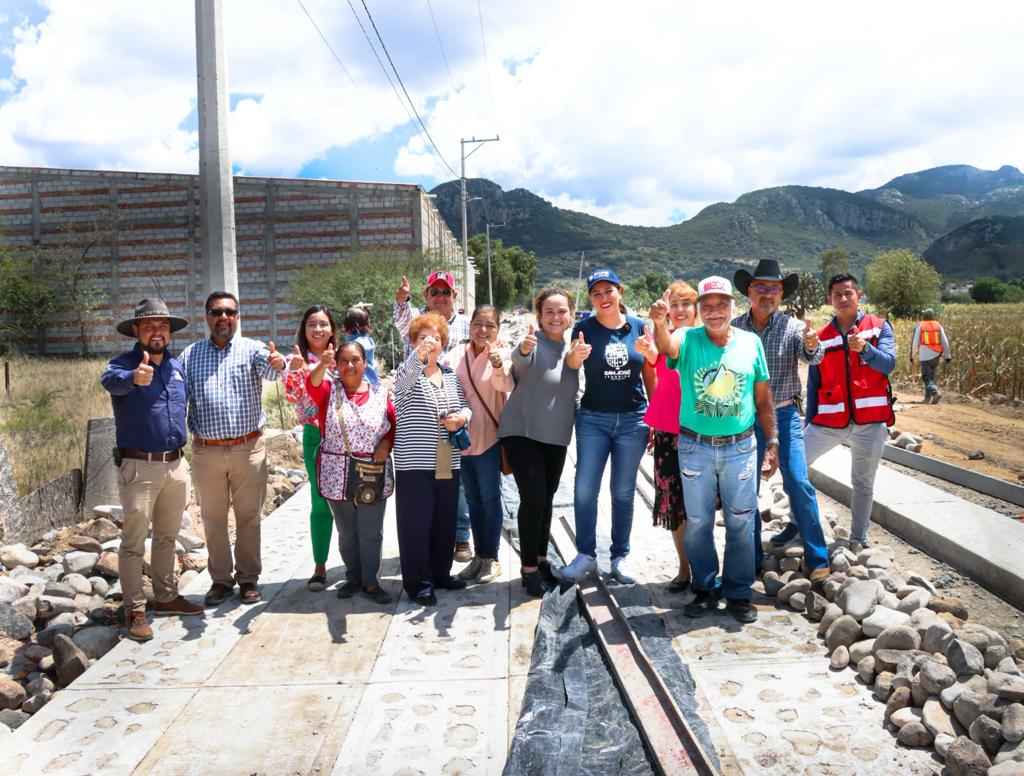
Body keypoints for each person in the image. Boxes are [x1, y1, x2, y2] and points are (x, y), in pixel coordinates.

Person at [652, 276, 779, 623]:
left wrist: (772, 441)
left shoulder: (751, 343)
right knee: (698, 522)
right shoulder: (688, 338)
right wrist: (659, 322)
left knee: (741, 520)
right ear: (699, 312)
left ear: (732, 307)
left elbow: (762, 397)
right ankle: (705, 589)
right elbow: (665, 347)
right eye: (706, 307)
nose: (714, 312)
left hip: (740, 447)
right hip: (695, 447)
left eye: (721, 305)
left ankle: (738, 592)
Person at [100, 299, 204, 641]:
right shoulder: (123, 364)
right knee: (132, 542)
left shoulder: (177, 367)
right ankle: (135, 609)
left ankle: (165, 596)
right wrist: (134, 377)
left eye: (162, 326)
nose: (156, 332)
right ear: (136, 331)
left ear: (168, 332)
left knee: (167, 536)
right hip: (139, 467)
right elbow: (110, 382)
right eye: (149, 326)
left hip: (175, 463)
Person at [181, 291, 286, 606]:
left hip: (247, 449)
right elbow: (176, 400)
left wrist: (278, 363)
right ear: (207, 317)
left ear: (238, 316)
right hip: (206, 453)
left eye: (230, 312)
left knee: (248, 517)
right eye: (216, 312)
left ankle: (248, 579)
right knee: (213, 520)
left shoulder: (253, 350)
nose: (223, 317)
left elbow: (272, 369)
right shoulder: (189, 355)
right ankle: (221, 581)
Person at [732, 259, 830, 585]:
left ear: (781, 295)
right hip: (744, 418)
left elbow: (811, 354)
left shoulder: (791, 327)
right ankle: (751, 559)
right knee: (745, 490)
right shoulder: (734, 328)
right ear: (749, 291)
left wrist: (813, 344)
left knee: (799, 482)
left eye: (773, 289)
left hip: (785, 415)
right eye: (760, 287)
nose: (767, 294)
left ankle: (817, 558)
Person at [561, 269, 654, 584]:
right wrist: (574, 356)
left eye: (608, 291)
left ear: (620, 292)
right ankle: (585, 554)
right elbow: (573, 365)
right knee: (585, 489)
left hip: (634, 420)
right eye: (596, 293)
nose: (603, 298)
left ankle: (620, 556)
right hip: (593, 419)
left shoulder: (639, 327)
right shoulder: (583, 328)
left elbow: (651, 373)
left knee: (623, 492)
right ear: (591, 298)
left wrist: (655, 417)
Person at [803, 273, 896, 554]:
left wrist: (866, 349)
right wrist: (808, 422)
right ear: (829, 300)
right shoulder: (820, 337)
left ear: (859, 295)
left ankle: (858, 539)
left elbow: (888, 365)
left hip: (870, 422)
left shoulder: (879, 327)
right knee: (795, 464)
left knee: (863, 483)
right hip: (830, 421)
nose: (843, 299)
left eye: (848, 293)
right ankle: (799, 524)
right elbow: (813, 382)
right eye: (837, 295)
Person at [500, 288, 584, 595]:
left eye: (562, 311)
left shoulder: (574, 351)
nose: (555, 317)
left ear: (571, 315)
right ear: (539, 316)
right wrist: (523, 348)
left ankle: (540, 558)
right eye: (549, 311)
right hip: (522, 431)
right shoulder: (533, 344)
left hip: (556, 434)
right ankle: (528, 569)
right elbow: (519, 363)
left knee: (547, 497)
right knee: (533, 497)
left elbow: (574, 393)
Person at [392, 313, 473, 606]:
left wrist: (462, 418)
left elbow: (465, 406)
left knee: (444, 520)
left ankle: (441, 573)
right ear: (412, 343)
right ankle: (419, 584)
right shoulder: (406, 372)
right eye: (423, 338)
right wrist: (420, 355)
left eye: (436, 338)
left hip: (446, 458)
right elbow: (406, 379)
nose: (430, 343)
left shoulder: (449, 375)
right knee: (415, 523)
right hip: (414, 462)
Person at [306, 341, 396, 604]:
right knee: (347, 531)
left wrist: (385, 445)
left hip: (371, 471)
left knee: (370, 530)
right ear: (336, 363)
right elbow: (311, 385)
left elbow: (391, 425)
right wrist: (322, 364)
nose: (349, 365)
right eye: (342, 360)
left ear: (364, 363)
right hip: (337, 472)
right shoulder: (328, 391)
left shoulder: (381, 394)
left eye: (355, 359)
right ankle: (353, 577)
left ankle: (370, 581)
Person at [635, 281, 698, 593]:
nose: (680, 310)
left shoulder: (704, 340)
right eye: (675, 305)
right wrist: (649, 357)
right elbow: (654, 381)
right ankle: (684, 568)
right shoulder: (663, 340)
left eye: (686, 305)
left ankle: (702, 567)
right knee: (674, 504)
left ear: (696, 309)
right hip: (667, 431)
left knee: (698, 505)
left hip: (698, 431)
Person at [447, 305, 514, 584]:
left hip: (488, 438)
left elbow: (505, 386)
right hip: (460, 441)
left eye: (490, 325)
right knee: (472, 499)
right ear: (470, 325)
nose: (483, 330)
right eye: (478, 324)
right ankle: (479, 556)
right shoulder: (454, 355)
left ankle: (492, 557)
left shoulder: (503, 353)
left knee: (490, 497)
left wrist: (497, 363)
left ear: (497, 329)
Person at [282, 305, 339, 592]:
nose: (318, 330)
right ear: (304, 330)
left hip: (346, 439)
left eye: (323, 324)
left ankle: (358, 565)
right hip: (316, 437)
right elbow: (293, 395)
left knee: (353, 501)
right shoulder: (297, 360)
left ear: (332, 329)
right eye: (312, 325)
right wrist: (293, 371)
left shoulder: (345, 356)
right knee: (320, 501)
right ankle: (320, 565)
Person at [910, 308, 952, 404]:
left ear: (925, 316)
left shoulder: (920, 326)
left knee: (926, 377)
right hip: (936, 355)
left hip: (925, 355)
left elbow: (914, 343)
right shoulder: (939, 326)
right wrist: (947, 356)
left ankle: (935, 392)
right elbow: (945, 342)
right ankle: (927, 398)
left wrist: (912, 356)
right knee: (931, 377)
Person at [343, 306, 379, 387]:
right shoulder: (367, 340)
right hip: (371, 383)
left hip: (362, 384)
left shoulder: (357, 344)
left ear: (346, 326)